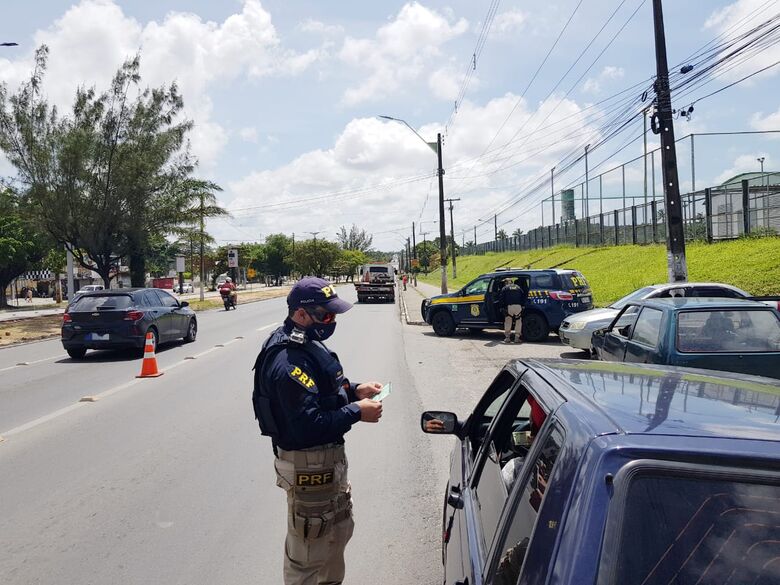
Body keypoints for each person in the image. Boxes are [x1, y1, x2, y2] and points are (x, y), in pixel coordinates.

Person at [252, 276, 384, 585]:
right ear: (301, 314)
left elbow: (324, 388)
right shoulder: (287, 361)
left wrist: (354, 390)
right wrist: (357, 412)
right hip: (309, 465)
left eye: (334, 314)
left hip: (326, 465)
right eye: (326, 315)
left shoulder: (305, 342)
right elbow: (308, 425)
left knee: (335, 537)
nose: (332, 321)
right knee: (309, 554)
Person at [497, 277, 528, 344]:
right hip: (518, 307)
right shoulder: (518, 287)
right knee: (518, 321)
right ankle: (517, 338)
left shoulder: (505, 288)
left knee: (508, 321)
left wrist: (501, 307)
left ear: (506, 282)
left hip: (509, 307)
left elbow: (501, 298)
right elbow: (523, 296)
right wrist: (522, 305)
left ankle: (507, 338)